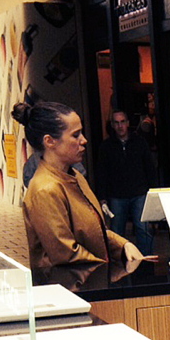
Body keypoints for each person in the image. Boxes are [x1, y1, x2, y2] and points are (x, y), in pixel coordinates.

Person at [14, 100, 154, 271]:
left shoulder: (76, 176)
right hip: (68, 287)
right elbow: (67, 255)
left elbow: (92, 231)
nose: (84, 140)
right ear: (50, 141)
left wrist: (123, 245)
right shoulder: (45, 190)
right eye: (75, 135)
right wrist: (113, 267)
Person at [96, 110, 159, 255]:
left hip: (140, 193)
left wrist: (154, 191)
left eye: (122, 122)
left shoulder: (140, 142)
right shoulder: (106, 147)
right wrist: (102, 197)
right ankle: (120, 263)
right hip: (117, 195)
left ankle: (146, 261)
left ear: (128, 123)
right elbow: (101, 173)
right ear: (112, 125)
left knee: (143, 229)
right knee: (117, 232)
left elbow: (149, 168)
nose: (120, 126)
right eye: (116, 123)